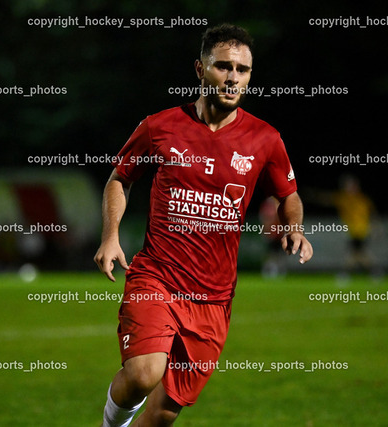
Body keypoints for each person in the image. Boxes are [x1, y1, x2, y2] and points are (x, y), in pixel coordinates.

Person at [94, 23, 313, 426]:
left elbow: (289, 195)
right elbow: (120, 178)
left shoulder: (265, 139)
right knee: (143, 374)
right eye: (223, 66)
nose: (233, 78)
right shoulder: (159, 126)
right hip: (157, 278)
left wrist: (294, 227)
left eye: (242, 70)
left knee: (163, 412)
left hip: (213, 298)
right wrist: (110, 237)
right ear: (200, 69)